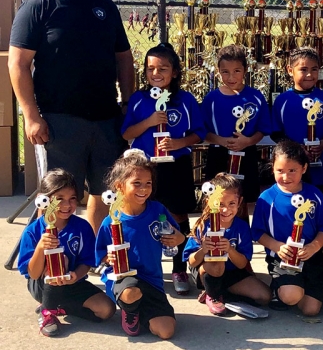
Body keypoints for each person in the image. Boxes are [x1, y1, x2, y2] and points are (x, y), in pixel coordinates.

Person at [8, 0, 134, 234]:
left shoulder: (105, 8)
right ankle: (51, 257)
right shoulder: (37, 9)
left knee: (106, 192)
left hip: (106, 119)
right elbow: (17, 64)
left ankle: (92, 251)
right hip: (59, 122)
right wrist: (31, 115)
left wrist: (128, 105)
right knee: (60, 195)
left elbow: (124, 59)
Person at [121, 43, 206, 295]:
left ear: (175, 72)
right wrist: (149, 122)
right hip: (145, 168)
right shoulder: (138, 100)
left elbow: (199, 133)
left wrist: (179, 143)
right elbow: (126, 132)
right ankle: (148, 268)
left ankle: (179, 268)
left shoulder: (186, 100)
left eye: (163, 68)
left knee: (177, 215)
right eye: (150, 69)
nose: (156, 73)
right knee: (143, 215)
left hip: (176, 166)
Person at [95, 150, 185, 339]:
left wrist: (178, 238)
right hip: (124, 279)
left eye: (148, 183)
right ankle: (131, 311)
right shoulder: (112, 220)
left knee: (166, 331)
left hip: (152, 279)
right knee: (131, 293)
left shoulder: (157, 210)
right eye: (136, 183)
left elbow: (178, 236)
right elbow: (100, 257)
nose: (143, 189)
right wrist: (108, 258)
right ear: (119, 186)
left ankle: (143, 309)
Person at [18, 169, 115, 337]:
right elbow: (32, 274)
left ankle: (60, 306)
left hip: (73, 282)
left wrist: (75, 276)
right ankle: (48, 311)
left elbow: (87, 262)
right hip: (42, 285)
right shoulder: (33, 231)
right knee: (59, 259)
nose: (66, 205)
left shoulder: (82, 227)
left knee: (106, 310)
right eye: (59, 199)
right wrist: (41, 247)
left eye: (72, 199)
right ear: (44, 200)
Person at [251, 140, 323, 316]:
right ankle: (282, 289)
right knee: (291, 296)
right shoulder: (266, 198)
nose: (286, 177)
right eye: (280, 171)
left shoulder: (315, 195)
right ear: (272, 168)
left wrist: (314, 246)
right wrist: (276, 246)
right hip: (282, 259)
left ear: (304, 168)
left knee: (311, 310)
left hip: (311, 257)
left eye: (292, 171)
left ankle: (300, 285)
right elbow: (257, 231)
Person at [183, 173, 271, 316]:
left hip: (232, 272)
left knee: (264, 297)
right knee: (218, 264)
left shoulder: (241, 227)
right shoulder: (202, 225)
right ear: (209, 202)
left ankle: (220, 292)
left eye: (231, 203)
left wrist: (229, 249)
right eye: (220, 204)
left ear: (240, 202)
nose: (226, 209)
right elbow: (192, 262)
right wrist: (204, 249)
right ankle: (213, 296)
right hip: (208, 270)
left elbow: (243, 264)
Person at [201, 44, 271, 208]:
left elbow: (262, 129)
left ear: (245, 70)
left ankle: (242, 232)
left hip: (247, 153)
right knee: (216, 199)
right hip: (218, 154)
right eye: (225, 72)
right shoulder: (211, 99)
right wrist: (222, 140)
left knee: (244, 200)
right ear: (218, 71)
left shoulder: (256, 97)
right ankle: (215, 231)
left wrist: (247, 141)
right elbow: (202, 132)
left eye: (237, 71)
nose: (231, 76)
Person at [272, 47, 323, 193]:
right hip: (290, 171)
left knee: (317, 206)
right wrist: (296, 148)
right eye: (303, 69)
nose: (309, 74)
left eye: (314, 69)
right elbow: (275, 133)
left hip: (319, 169)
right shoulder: (282, 101)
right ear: (290, 70)